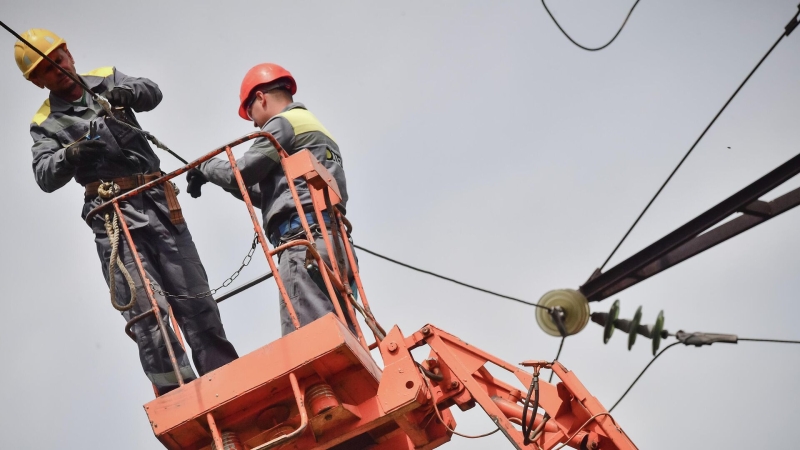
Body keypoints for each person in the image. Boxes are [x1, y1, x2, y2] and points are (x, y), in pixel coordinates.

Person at [16, 28, 238, 395]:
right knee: (147, 312)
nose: (59, 69)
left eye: (59, 59)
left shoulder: (107, 78)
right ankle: (179, 395)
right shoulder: (45, 124)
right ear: (38, 81)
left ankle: (229, 385)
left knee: (196, 300)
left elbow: (152, 92)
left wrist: (126, 92)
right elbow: (44, 174)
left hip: (157, 201)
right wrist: (69, 155)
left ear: (68, 52)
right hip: (112, 217)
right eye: (48, 69)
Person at [187, 63, 355, 335]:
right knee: (342, 336)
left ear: (261, 97)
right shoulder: (314, 128)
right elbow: (276, 190)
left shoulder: (282, 124)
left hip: (303, 243)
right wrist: (228, 185)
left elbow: (240, 171)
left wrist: (204, 167)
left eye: (250, 111)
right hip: (335, 244)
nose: (254, 122)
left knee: (311, 342)